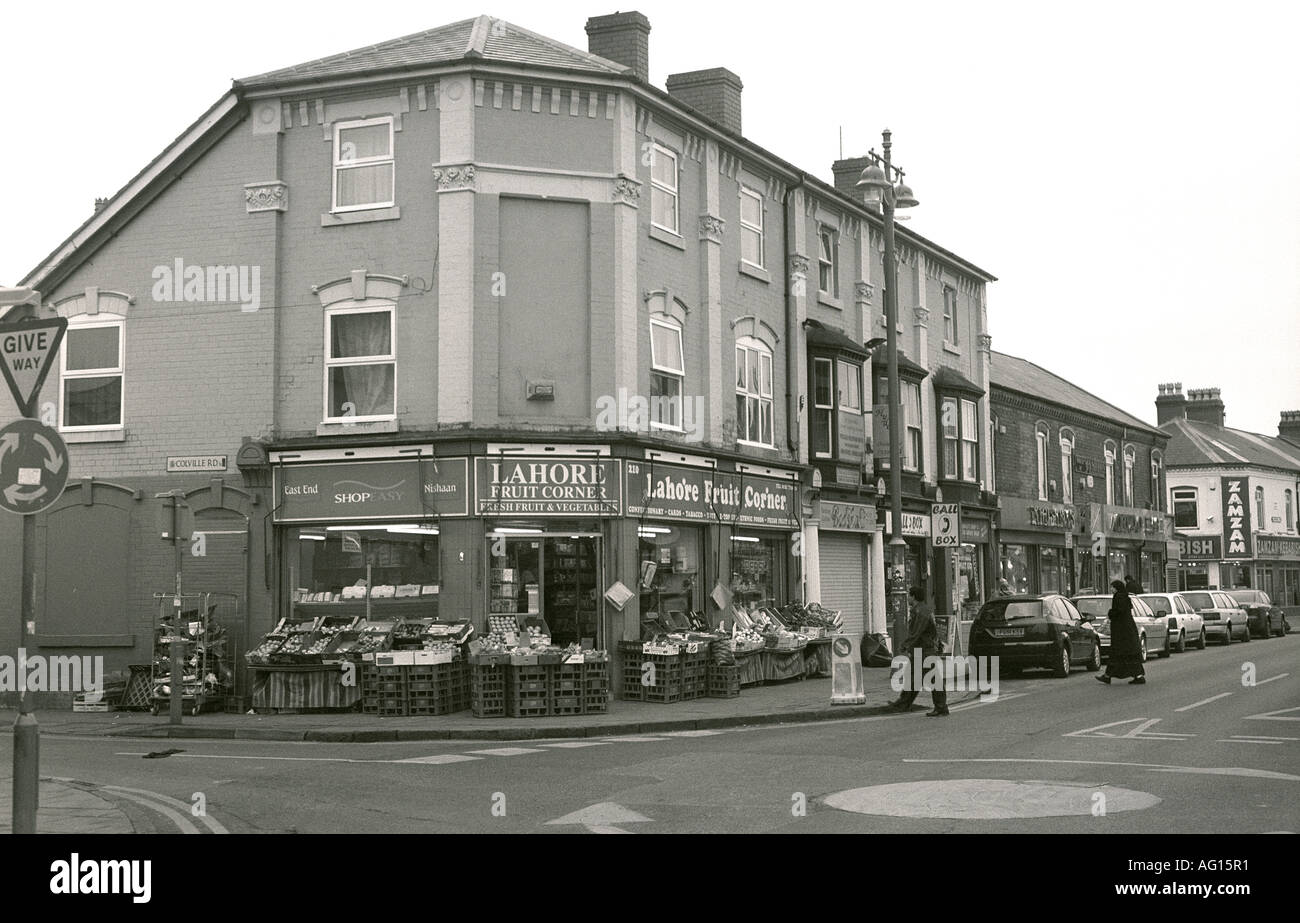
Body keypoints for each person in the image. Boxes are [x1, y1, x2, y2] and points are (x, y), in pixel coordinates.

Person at [888, 586, 949, 716]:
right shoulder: (919, 609)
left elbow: (916, 632)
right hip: (920, 650)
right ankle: (904, 703)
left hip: (925, 651)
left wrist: (905, 645)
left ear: (914, 596)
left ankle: (941, 707)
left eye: (909, 595)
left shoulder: (922, 612)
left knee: (933, 678)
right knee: (914, 678)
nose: (908, 597)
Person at [1097, 578, 1146, 685]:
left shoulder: (1119, 597)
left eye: (1112, 587)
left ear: (1117, 588)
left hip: (1122, 633)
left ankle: (1109, 676)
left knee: (1119, 655)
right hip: (1127, 632)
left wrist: (1111, 613)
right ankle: (1109, 676)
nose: (1111, 589)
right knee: (1124, 655)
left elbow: (1119, 611)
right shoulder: (1124, 597)